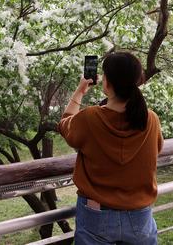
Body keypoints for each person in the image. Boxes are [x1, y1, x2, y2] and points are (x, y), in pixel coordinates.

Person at [58, 52, 164, 245]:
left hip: (96, 212)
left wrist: (81, 90)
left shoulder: (90, 118)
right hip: (139, 215)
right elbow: (156, 149)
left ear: (107, 82)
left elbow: (65, 123)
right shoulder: (151, 119)